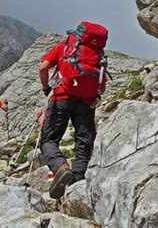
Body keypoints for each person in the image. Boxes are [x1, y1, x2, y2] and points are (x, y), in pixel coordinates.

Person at [39, 21, 108, 199]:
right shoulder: (99, 56)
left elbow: (43, 67)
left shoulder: (64, 48)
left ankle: (61, 168)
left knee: (48, 140)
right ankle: (77, 180)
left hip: (61, 98)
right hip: (86, 103)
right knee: (83, 142)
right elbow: (102, 87)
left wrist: (46, 88)